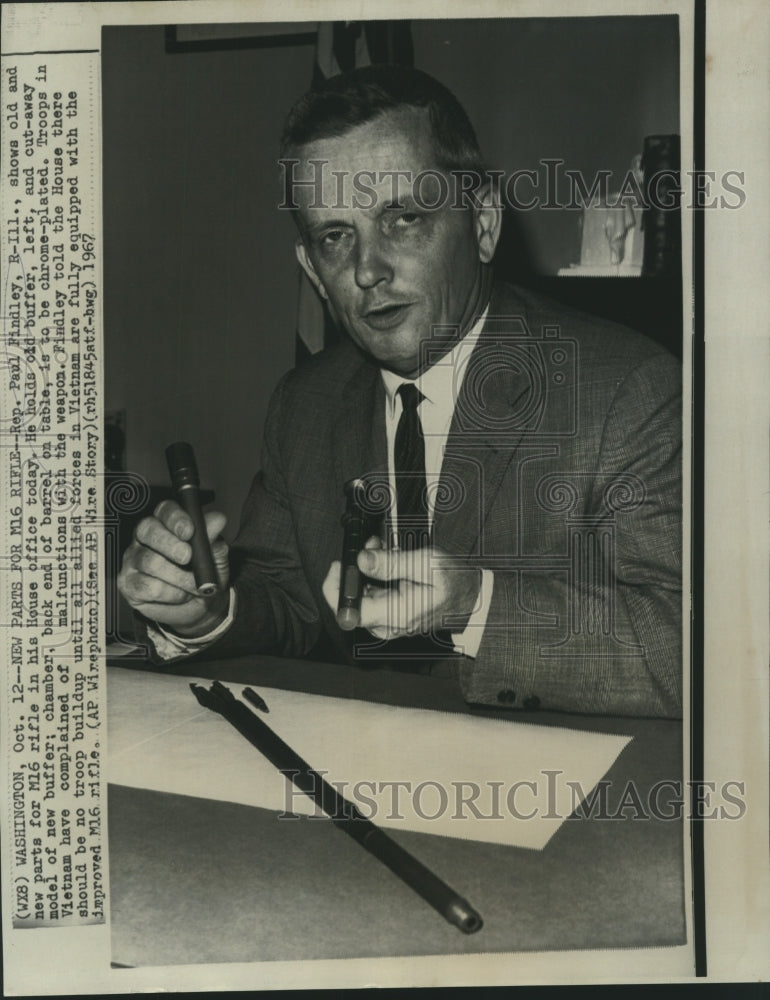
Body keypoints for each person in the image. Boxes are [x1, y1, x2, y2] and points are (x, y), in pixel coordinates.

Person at [118, 66, 682, 718]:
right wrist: (204, 612)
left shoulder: (626, 393)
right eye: (335, 237)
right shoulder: (306, 403)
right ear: (312, 271)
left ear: (484, 223)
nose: (367, 270)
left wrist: (477, 606)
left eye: (403, 218)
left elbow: (690, 655)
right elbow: (288, 602)